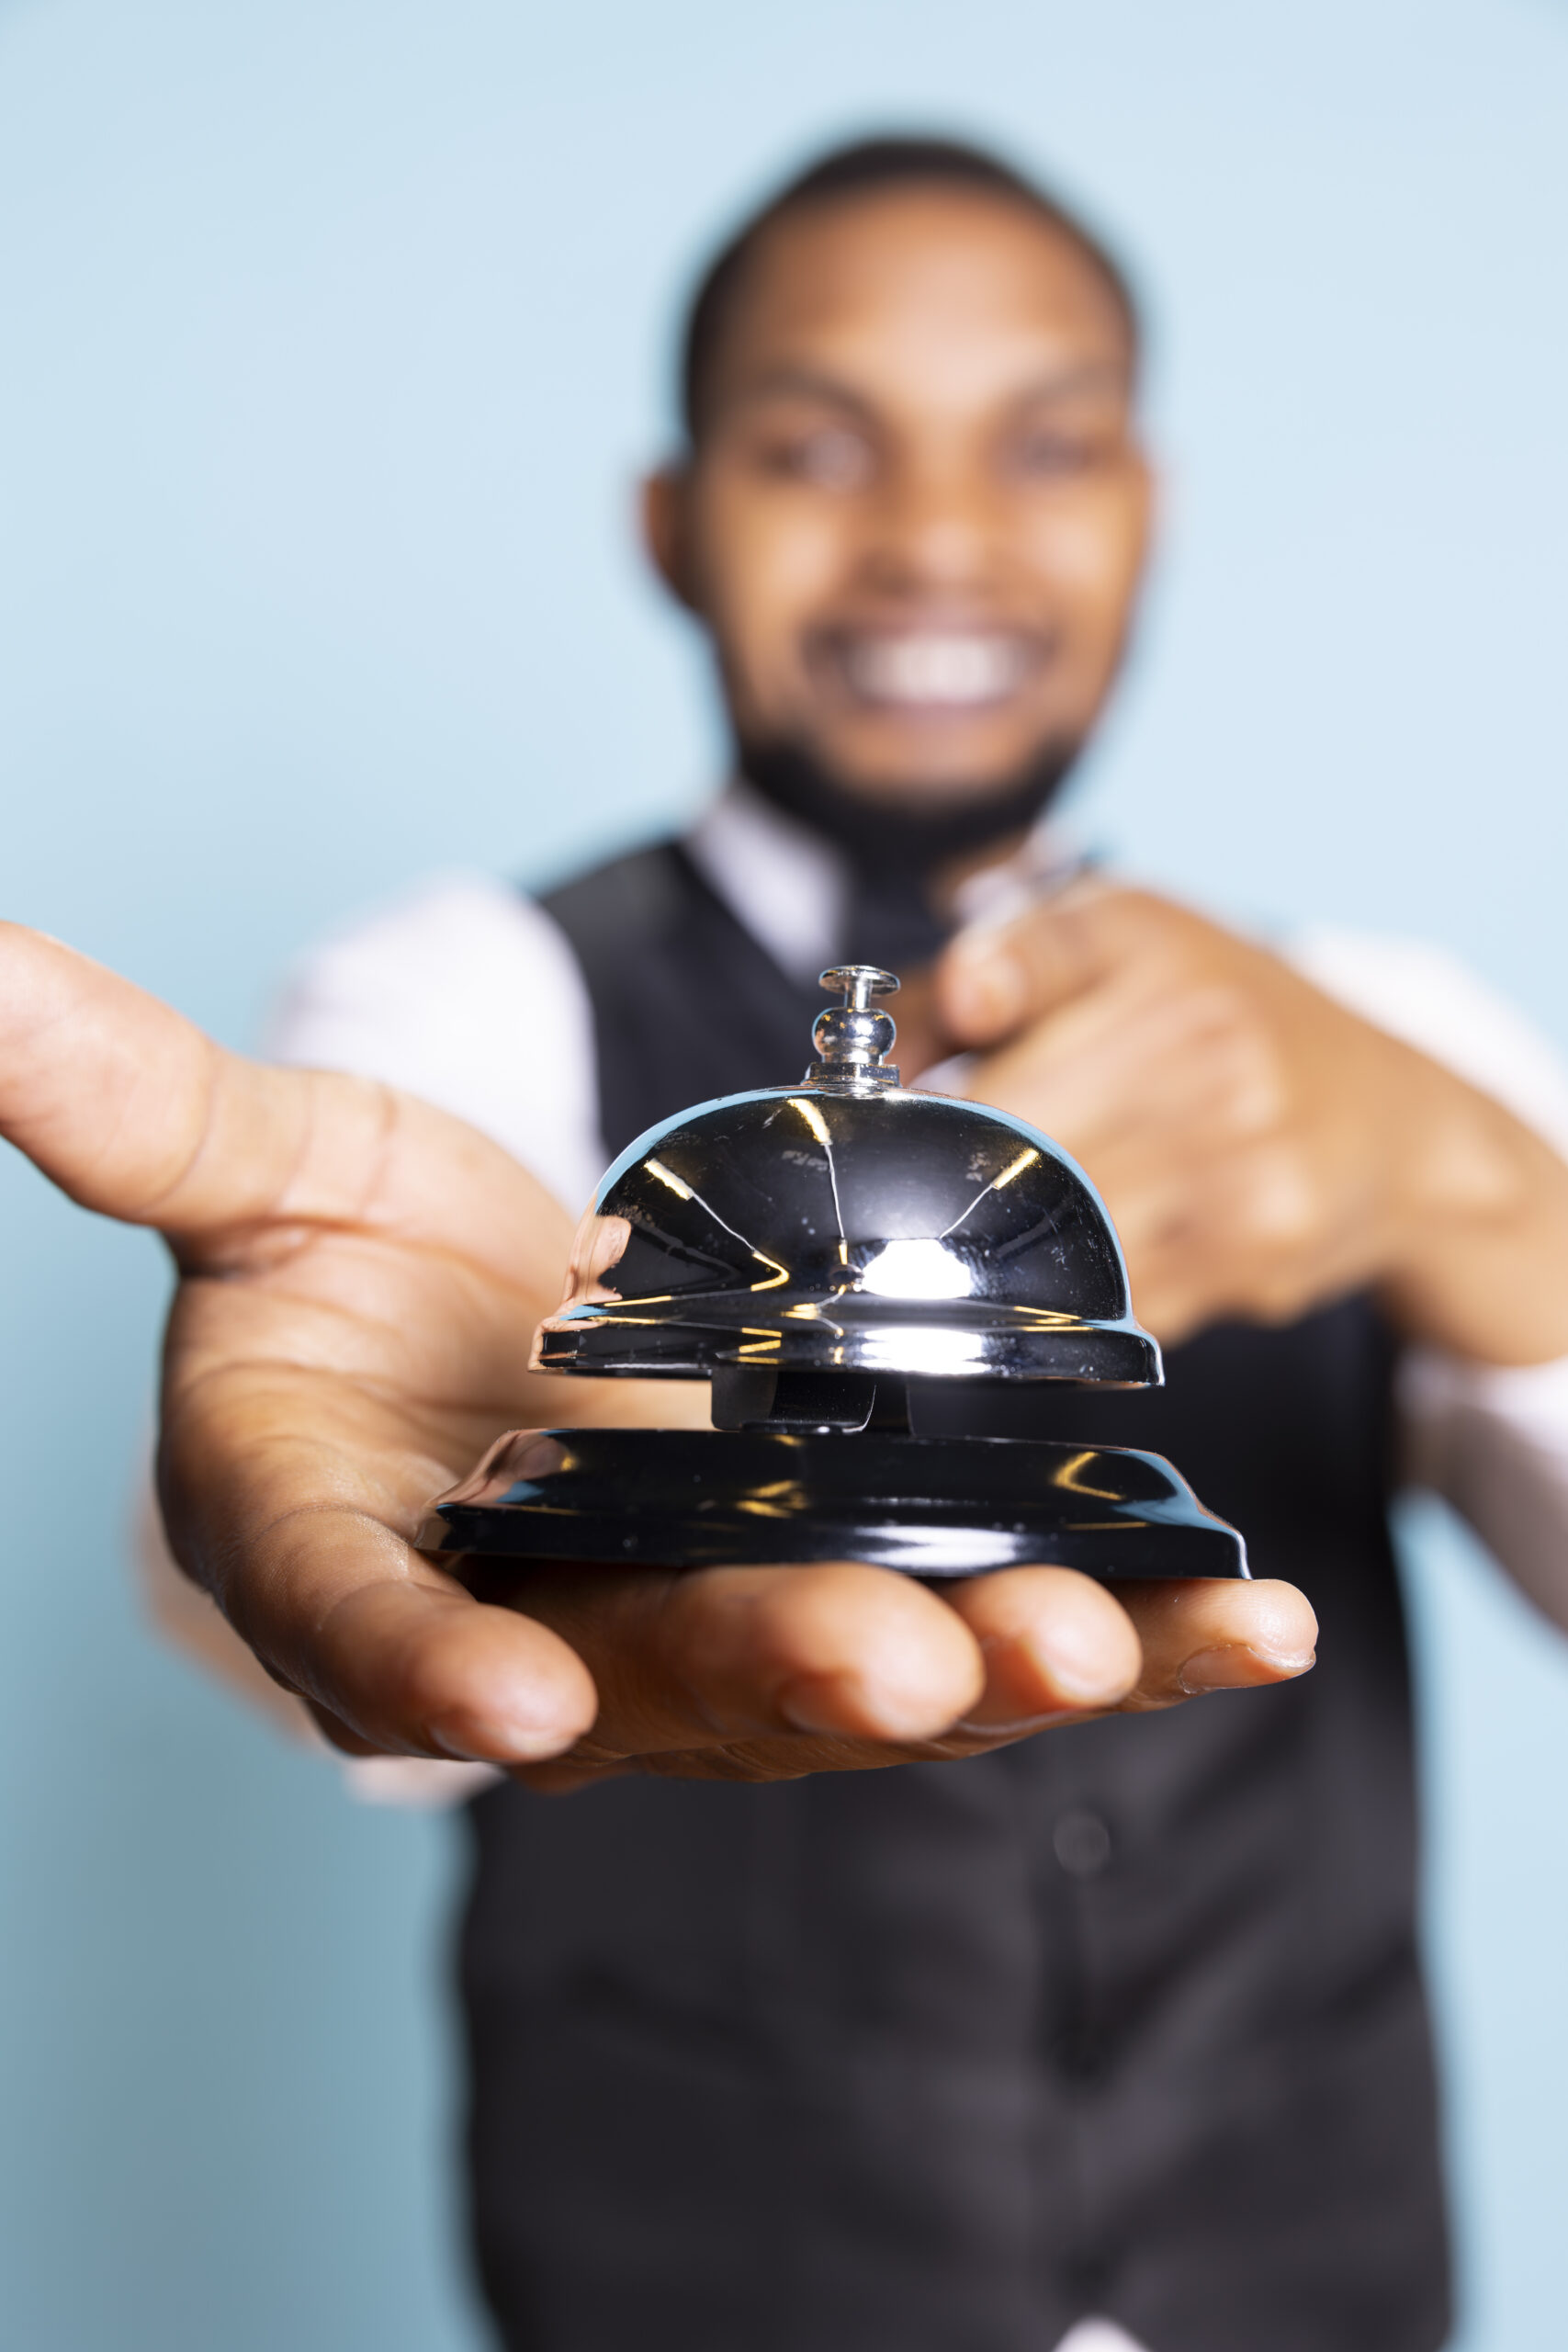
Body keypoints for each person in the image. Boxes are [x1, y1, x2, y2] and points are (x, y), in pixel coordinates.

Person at [22, 132, 1568, 2352]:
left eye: (1042, 444)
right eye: (816, 448)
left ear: (1149, 508)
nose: (934, 535)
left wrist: (1468, 1186)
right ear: (670, 524)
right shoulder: (465, 1004)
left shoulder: (1379, 1025)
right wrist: (411, 1495)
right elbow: (271, 1550)